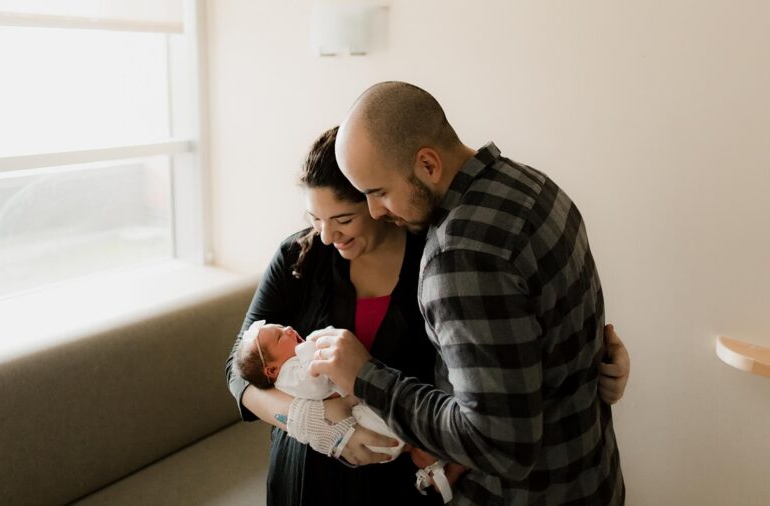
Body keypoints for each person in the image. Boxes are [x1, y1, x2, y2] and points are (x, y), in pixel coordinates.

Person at [225, 126, 629, 506]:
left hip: (403, 484)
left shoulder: (437, 261)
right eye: (314, 220)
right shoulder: (299, 258)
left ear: (375, 200)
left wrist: (593, 366)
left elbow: (494, 377)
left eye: (343, 219)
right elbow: (239, 373)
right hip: (309, 479)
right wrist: (319, 427)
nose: (328, 236)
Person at [235, 319, 461, 502]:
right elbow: (236, 375)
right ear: (272, 369)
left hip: (369, 431)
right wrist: (308, 418)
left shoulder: (291, 365)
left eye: (282, 327)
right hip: (342, 442)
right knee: (393, 430)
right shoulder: (289, 374)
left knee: (398, 427)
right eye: (279, 335)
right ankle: (429, 458)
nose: (288, 328)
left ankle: (431, 461)